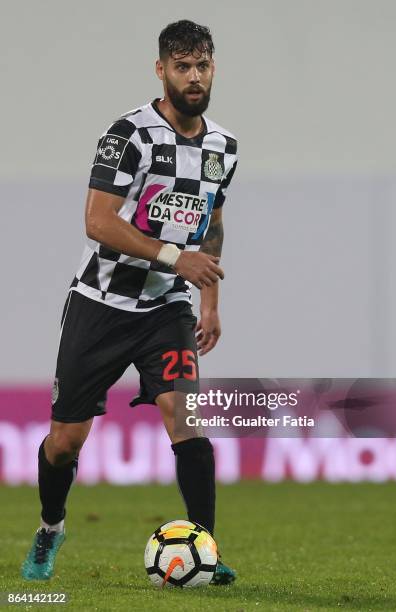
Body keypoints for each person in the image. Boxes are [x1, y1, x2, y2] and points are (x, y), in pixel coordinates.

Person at [21, 19, 237, 585]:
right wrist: (174, 257)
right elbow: (97, 222)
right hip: (101, 304)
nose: (194, 77)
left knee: (186, 419)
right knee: (65, 443)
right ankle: (50, 529)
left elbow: (211, 224)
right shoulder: (129, 136)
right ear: (161, 70)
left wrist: (208, 297)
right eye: (183, 67)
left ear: (213, 68)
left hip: (168, 309)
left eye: (203, 65)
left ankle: (205, 552)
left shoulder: (222, 147)